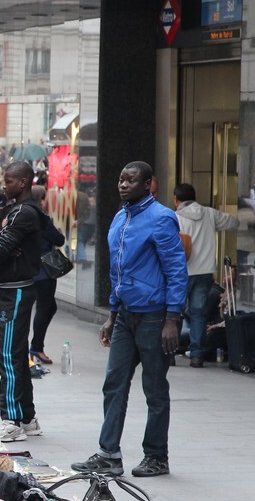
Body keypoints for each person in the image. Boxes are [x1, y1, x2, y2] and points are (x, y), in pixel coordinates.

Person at [72, 162, 187, 479]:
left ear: (148, 183)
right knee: (114, 384)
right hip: (125, 316)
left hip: (154, 315)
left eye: (131, 180)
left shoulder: (162, 218)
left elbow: (176, 270)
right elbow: (116, 271)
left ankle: (156, 456)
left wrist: (172, 319)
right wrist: (111, 315)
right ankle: (109, 454)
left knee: (154, 389)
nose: (123, 184)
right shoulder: (121, 217)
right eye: (121, 179)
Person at [0, 161, 44, 444]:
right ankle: (27, 418)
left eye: (8, 181)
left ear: (23, 182)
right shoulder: (11, 210)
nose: (3, 185)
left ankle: (12, 420)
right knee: (16, 355)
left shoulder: (25, 213)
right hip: (8, 289)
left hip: (15, 291)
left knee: (7, 355)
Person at [173, 183, 239, 368]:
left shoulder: (174, 218)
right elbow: (234, 222)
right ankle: (197, 355)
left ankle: (170, 352)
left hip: (180, 272)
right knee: (198, 314)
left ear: (176, 200)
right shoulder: (210, 214)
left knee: (175, 312)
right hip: (203, 272)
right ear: (194, 198)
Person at [29, 185, 66, 366]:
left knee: (49, 307)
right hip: (44, 271)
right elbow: (59, 240)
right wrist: (57, 231)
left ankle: (36, 346)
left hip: (32, 269)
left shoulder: (26, 215)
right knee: (44, 308)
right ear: (41, 199)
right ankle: (36, 348)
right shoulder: (42, 218)